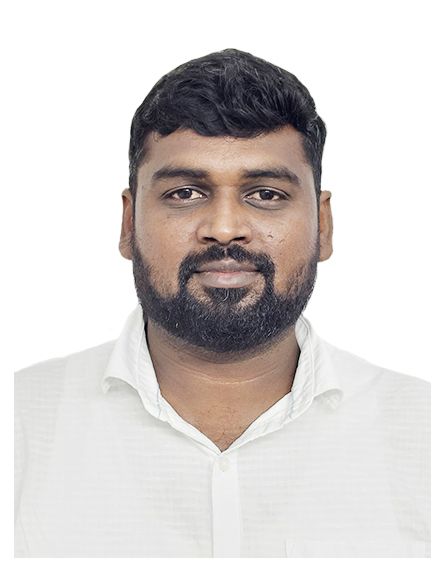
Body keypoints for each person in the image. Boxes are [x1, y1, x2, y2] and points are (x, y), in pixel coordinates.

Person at [14, 48, 430, 558]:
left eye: (267, 194)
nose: (225, 228)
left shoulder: (425, 434)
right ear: (128, 223)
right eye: (185, 193)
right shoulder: (19, 426)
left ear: (323, 226)